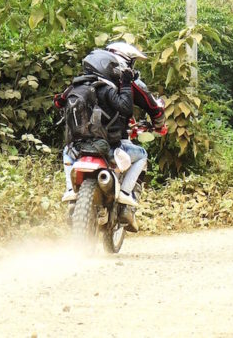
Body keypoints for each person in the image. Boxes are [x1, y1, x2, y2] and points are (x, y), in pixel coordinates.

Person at [57, 42, 166, 232]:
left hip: (79, 144)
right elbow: (153, 108)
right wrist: (159, 126)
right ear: (124, 62)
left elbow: (59, 102)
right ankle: (126, 198)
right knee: (141, 155)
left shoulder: (81, 84)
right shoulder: (128, 84)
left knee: (67, 152)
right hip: (112, 142)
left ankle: (70, 192)